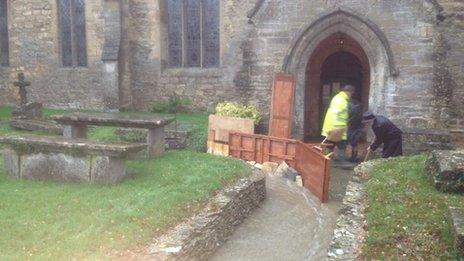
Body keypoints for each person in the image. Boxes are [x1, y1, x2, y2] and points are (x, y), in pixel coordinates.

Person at [321, 85, 355, 161]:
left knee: (331, 145)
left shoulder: (339, 98)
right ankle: (341, 161)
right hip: (337, 128)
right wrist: (337, 128)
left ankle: (327, 161)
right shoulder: (340, 100)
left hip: (334, 127)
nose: (351, 95)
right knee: (341, 145)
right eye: (351, 93)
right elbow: (335, 113)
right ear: (348, 92)